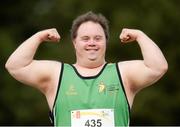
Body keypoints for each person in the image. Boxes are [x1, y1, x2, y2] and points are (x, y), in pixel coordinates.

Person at [5, 11, 168, 126]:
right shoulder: (57, 75)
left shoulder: (123, 74)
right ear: (74, 43)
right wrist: (39, 36)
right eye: (85, 38)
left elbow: (158, 67)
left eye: (98, 38)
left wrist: (140, 35)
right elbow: (15, 66)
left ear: (106, 42)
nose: (92, 43)